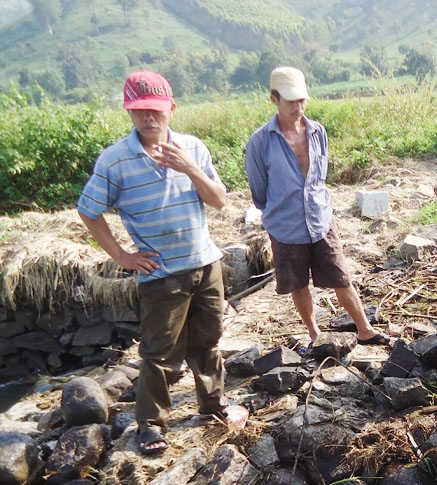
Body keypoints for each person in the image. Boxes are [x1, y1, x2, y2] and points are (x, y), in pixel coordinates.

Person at [77, 71, 239, 455]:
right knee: (159, 352)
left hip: (205, 264)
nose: (149, 118)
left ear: (171, 108)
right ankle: (150, 425)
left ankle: (213, 406)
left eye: (156, 110)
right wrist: (122, 256)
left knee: (208, 341)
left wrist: (190, 168)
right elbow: (89, 211)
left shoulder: (193, 148)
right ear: (128, 111)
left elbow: (219, 200)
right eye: (140, 111)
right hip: (160, 274)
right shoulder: (116, 160)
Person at [244, 66, 388, 351]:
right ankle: (314, 334)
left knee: (340, 276)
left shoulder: (317, 132)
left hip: (321, 219)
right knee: (298, 284)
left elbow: (320, 178)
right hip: (285, 227)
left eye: (302, 100)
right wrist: (282, 208)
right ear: (274, 99)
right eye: (291, 101)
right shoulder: (260, 143)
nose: (298, 107)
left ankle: (365, 329)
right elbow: (259, 194)